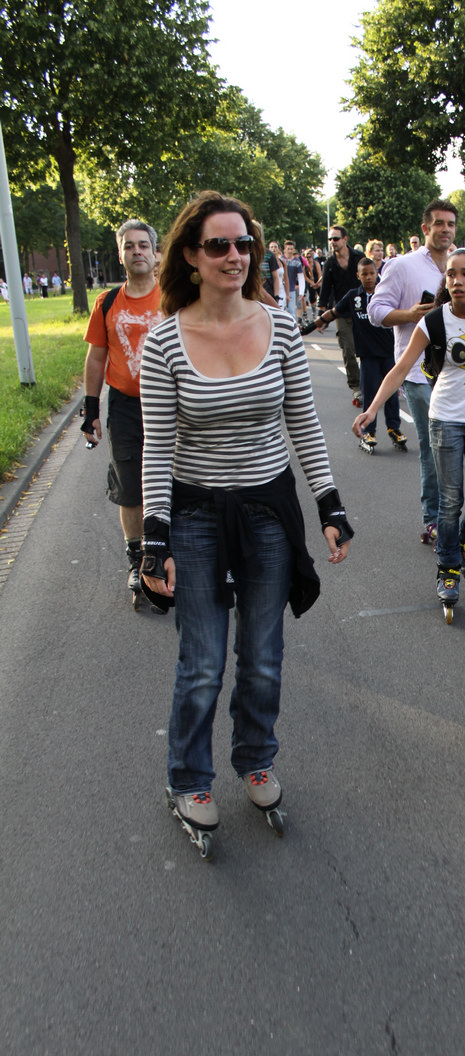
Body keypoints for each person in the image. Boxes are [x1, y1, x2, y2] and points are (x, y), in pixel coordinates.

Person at [138, 190, 353, 850]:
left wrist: (329, 503)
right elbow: (156, 446)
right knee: (203, 659)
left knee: (261, 656)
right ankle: (188, 777)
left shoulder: (280, 327)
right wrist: (154, 539)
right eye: (218, 245)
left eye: (244, 243)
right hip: (197, 513)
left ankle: (256, 757)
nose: (234, 255)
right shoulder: (164, 341)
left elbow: (303, 423)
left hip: (267, 510)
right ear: (191, 256)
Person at [356, 248, 465, 619]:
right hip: (445, 417)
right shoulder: (434, 321)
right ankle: (448, 566)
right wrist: (372, 409)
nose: (457, 281)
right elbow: (401, 368)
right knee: (450, 500)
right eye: (451, 274)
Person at [81, 219, 164, 602]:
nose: (137, 252)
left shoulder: (173, 296)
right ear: (120, 255)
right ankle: (137, 561)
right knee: (130, 488)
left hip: (171, 403)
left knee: (178, 482)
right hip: (126, 407)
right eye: (129, 246)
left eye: (143, 245)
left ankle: (170, 553)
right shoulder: (108, 302)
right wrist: (90, 409)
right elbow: (96, 357)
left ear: (155, 253)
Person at [368, 198, 458, 543]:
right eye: (439, 224)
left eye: (451, 224)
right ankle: (433, 517)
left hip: (458, 371)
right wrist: (409, 314)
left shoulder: (460, 263)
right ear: (425, 228)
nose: (446, 230)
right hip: (419, 372)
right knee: (434, 447)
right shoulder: (402, 266)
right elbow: (376, 310)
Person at [314, 257, 406, 454]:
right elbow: (334, 311)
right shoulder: (353, 296)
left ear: (377, 273)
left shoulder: (385, 294)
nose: (369, 277)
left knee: (391, 393)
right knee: (370, 393)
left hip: (388, 351)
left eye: (372, 273)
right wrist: (316, 323)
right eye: (364, 274)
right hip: (368, 354)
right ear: (358, 275)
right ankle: (368, 432)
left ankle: (394, 428)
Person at [317, 226, 364, 405]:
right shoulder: (329, 263)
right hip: (342, 312)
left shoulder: (359, 258)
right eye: (330, 239)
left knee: (368, 350)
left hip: (363, 311)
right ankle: (356, 387)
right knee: (348, 350)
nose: (332, 242)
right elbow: (325, 290)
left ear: (345, 239)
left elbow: (371, 280)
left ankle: (374, 381)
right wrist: (322, 316)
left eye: (335, 239)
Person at [283, 240, 304, 322]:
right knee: (281, 310)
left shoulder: (297, 261)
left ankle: (292, 326)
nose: (290, 251)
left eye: (291, 249)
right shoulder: (280, 259)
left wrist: (301, 291)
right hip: (281, 289)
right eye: (288, 249)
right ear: (285, 249)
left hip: (291, 288)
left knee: (292, 311)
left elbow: (301, 276)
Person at [303, 247, 322, 320]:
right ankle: (313, 310)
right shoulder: (304, 266)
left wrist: (318, 283)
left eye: (310, 256)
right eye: (307, 257)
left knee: (321, 295)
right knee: (312, 297)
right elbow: (305, 276)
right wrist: (312, 283)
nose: (309, 258)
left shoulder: (316, 263)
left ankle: (322, 310)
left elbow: (320, 274)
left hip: (317, 281)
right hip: (310, 282)